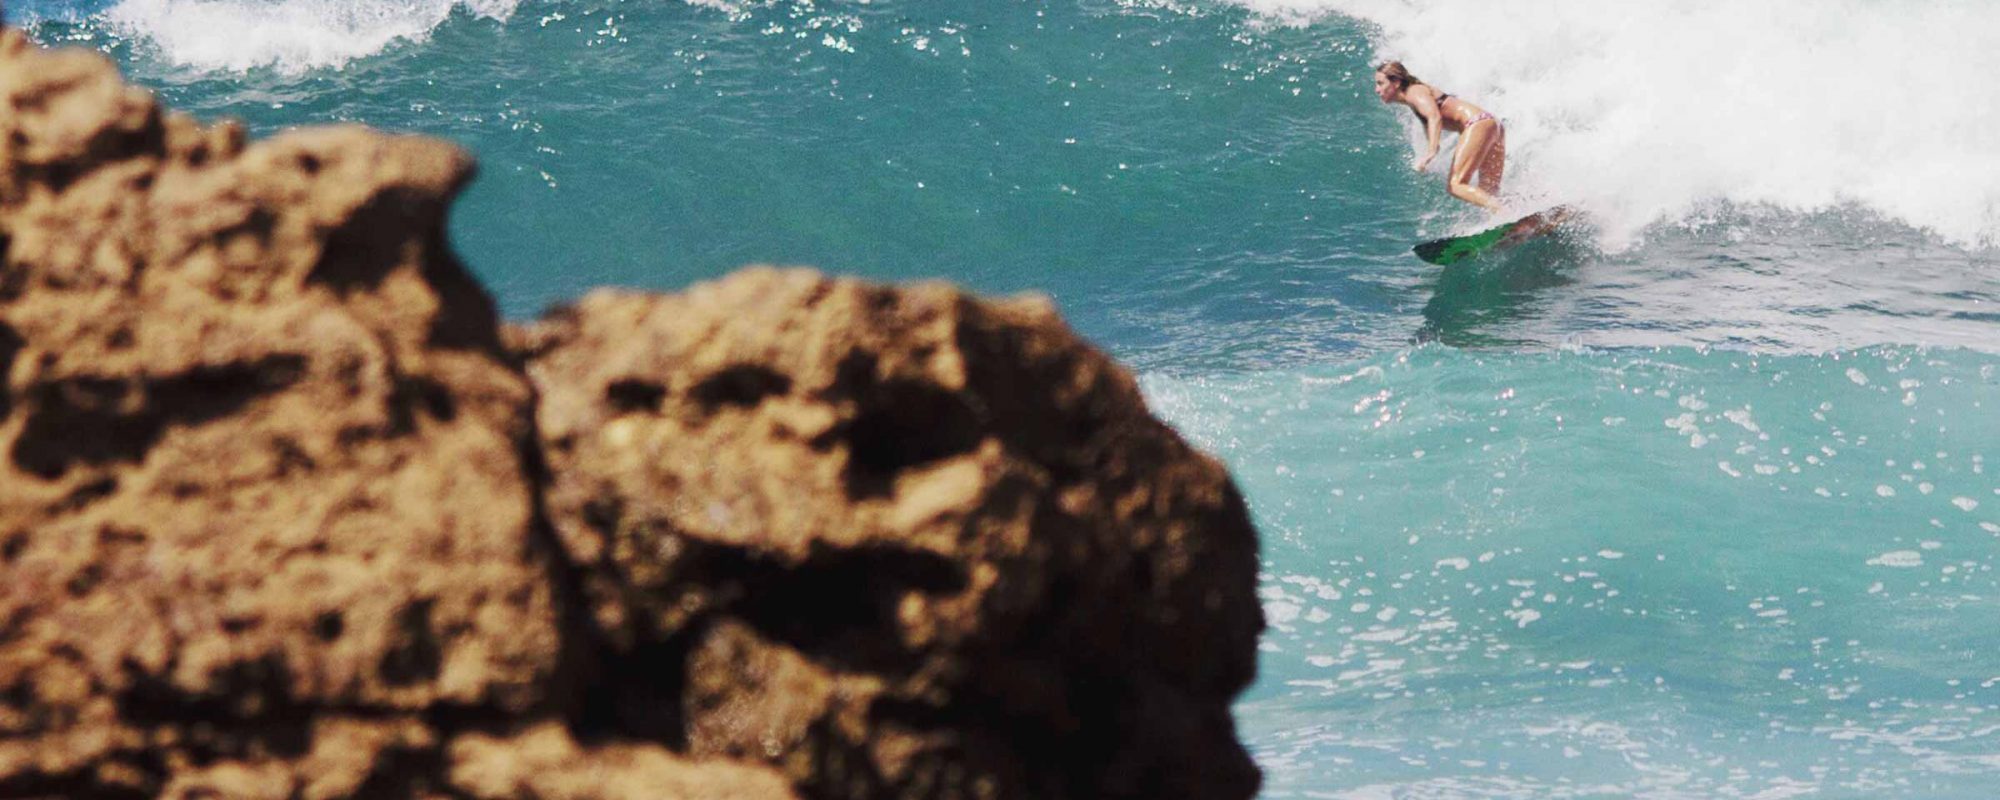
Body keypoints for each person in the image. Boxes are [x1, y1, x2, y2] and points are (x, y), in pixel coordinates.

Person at [1373, 61, 1505, 211]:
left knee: (1456, 185)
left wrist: (1432, 151)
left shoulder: (1413, 92)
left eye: (1380, 83)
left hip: (1477, 123)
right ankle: (1517, 216)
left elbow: (1434, 117)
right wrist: (1428, 158)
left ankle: (1507, 211)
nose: (1377, 90)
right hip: (1491, 124)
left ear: (1396, 82)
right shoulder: (1415, 97)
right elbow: (1430, 123)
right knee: (1489, 192)